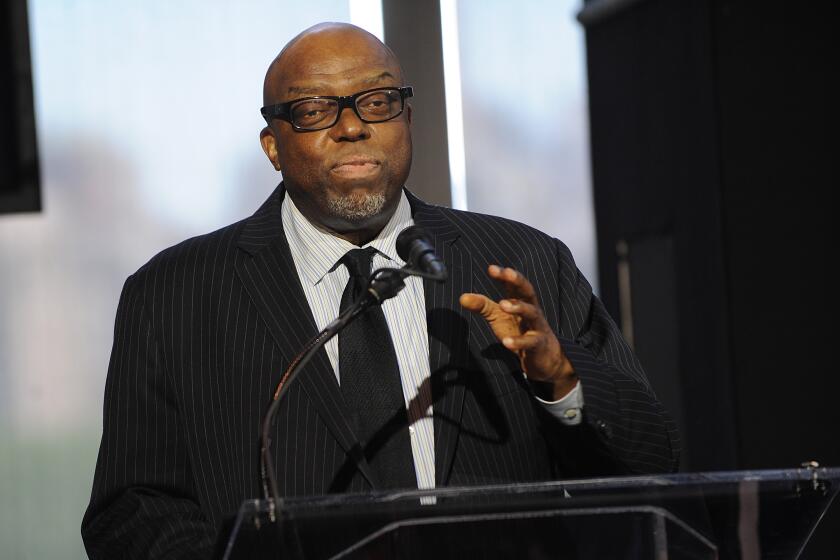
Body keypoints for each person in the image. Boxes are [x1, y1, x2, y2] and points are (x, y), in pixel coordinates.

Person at [82, 22, 679, 559]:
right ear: (272, 145)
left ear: (406, 120)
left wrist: (561, 381)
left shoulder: (522, 262)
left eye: (376, 101)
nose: (351, 126)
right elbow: (130, 515)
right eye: (315, 110)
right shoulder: (174, 294)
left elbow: (652, 463)